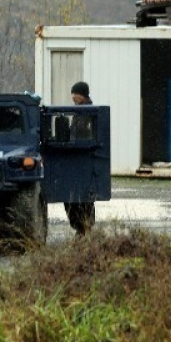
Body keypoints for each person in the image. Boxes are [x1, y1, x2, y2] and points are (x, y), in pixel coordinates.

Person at [64, 81, 96, 235]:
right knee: (74, 197)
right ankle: (81, 227)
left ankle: (84, 227)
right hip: (78, 157)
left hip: (83, 157)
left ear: (82, 95)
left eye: (75, 94)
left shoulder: (88, 113)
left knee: (83, 197)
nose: (73, 97)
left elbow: (84, 134)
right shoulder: (79, 112)